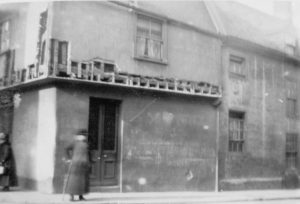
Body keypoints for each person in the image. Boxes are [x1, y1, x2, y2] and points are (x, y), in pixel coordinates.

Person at [64, 129, 90, 201]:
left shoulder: (86, 144)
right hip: (75, 164)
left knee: (83, 181)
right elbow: (66, 149)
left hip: (84, 164)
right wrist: (69, 158)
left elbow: (88, 154)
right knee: (73, 181)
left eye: (85, 136)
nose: (84, 137)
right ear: (79, 136)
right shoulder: (74, 143)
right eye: (83, 135)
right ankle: (71, 197)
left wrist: (89, 162)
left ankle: (81, 196)